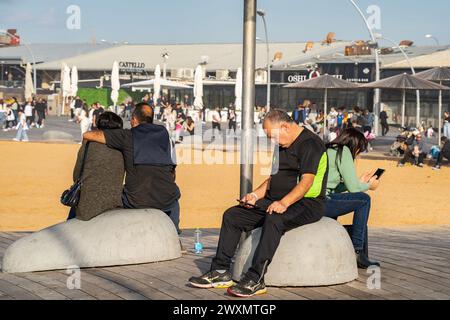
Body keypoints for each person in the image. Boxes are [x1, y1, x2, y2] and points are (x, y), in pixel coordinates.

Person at [189, 110, 328, 298]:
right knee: (233, 215)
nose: (272, 141)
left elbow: (307, 182)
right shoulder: (283, 144)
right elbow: (273, 179)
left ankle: (255, 278)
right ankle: (220, 271)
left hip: (306, 203)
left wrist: (284, 203)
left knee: (274, 218)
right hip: (274, 201)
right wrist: (254, 196)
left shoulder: (310, 144)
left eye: (272, 136)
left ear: (285, 127)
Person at [82, 103, 182, 234]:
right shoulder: (166, 136)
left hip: (136, 200)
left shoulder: (127, 136)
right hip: (166, 199)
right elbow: (173, 173)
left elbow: (88, 135)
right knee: (174, 200)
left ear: (134, 120)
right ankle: (174, 236)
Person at [324, 128, 380, 268]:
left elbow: (332, 185)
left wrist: (359, 183)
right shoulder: (343, 151)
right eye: (359, 150)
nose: (358, 154)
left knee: (344, 198)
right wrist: (368, 186)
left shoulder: (327, 148)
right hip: (322, 201)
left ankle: (356, 251)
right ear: (354, 145)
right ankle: (357, 251)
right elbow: (354, 189)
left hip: (314, 198)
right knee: (364, 200)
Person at [67, 112, 126, 221]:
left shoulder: (88, 143)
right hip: (113, 204)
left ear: (99, 126)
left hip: (86, 207)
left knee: (71, 217)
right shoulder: (123, 146)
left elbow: (76, 175)